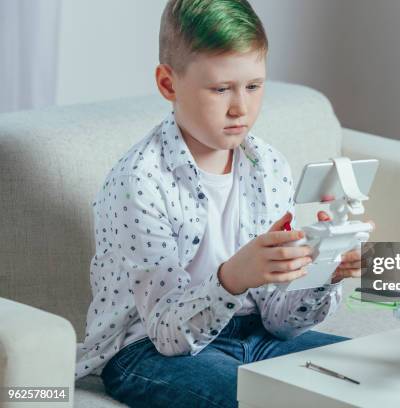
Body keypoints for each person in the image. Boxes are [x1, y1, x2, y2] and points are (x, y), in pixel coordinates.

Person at [74, 1, 373, 407]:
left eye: (253, 86)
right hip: (146, 350)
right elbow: (166, 335)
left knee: (375, 377)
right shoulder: (140, 180)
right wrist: (234, 276)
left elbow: (280, 324)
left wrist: (322, 274)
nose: (241, 108)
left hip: (254, 335)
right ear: (168, 84)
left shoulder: (267, 165)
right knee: (267, 400)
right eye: (220, 89)